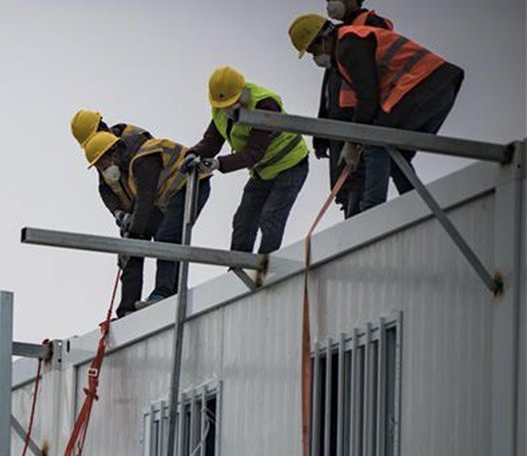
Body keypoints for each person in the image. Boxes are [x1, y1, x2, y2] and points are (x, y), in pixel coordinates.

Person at [291, 14, 464, 213]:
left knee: (374, 140)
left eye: (314, 51)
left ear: (324, 38)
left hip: (425, 84)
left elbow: (367, 98)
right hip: (440, 86)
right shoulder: (347, 46)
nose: (316, 58)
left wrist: (354, 140)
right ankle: (417, 205)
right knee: (394, 153)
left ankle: (371, 210)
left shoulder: (349, 44)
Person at [83, 129, 212, 314]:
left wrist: (132, 238)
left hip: (191, 184)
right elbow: (132, 205)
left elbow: (144, 201)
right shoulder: (125, 166)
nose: (101, 169)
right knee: (163, 236)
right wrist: (128, 236)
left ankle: (164, 293)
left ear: (113, 152)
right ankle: (135, 304)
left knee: (167, 237)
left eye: (101, 163)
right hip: (173, 195)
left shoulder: (143, 159)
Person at [185, 67, 310, 256]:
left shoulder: (265, 103)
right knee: (243, 221)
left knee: (270, 218)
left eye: (231, 103)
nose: (227, 109)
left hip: (290, 164)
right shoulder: (220, 107)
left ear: (242, 92)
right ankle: (237, 271)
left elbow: (255, 152)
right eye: (223, 105)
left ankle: (264, 268)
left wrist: (220, 164)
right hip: (262, 171)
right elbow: (212, 140)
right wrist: (194, 154)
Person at [314, 2, 394, 217]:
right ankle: (352, 225)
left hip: (359, 117)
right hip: (340, 122)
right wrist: (321, 130)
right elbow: (330, 87)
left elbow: (372, 78)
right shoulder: (337, 36)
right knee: (345, 187)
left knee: (359, 180)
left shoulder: (369, 24)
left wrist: (363, 121)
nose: (330, 4)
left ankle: (361, 226)